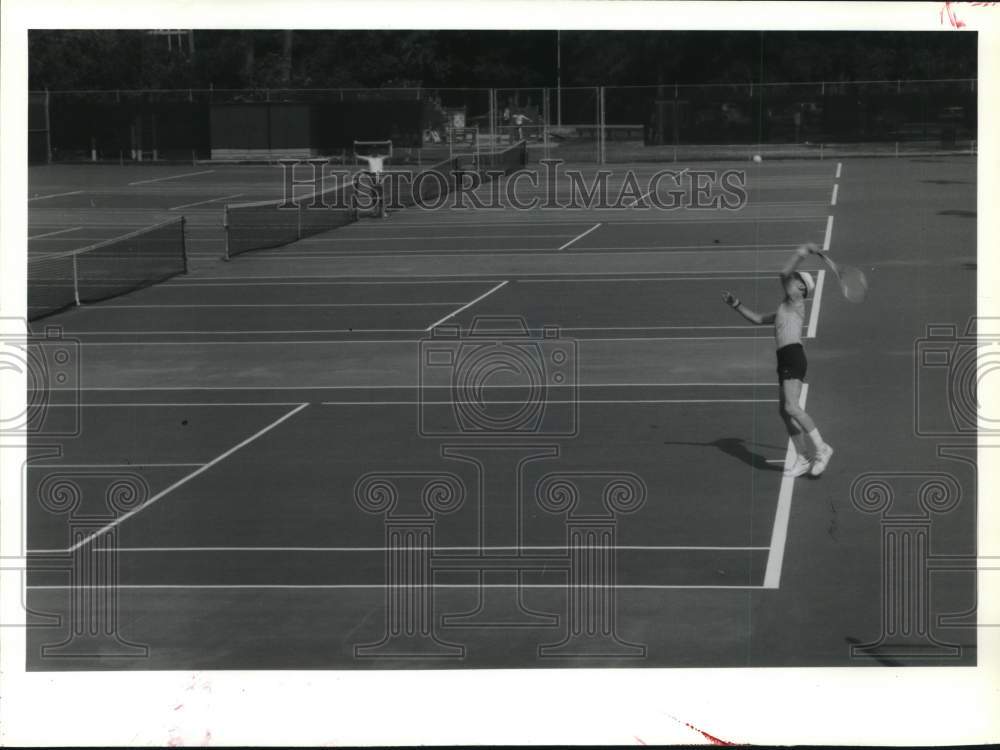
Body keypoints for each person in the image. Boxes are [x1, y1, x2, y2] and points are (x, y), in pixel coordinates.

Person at [721, 242, 834, 477]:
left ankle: (822, 448)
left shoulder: (796, 300)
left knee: (792, 407)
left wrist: (802, 252)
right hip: (784, 359)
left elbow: (783, 273)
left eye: (795, 279)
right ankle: (803, 457)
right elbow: (758, 319)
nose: (790, 280)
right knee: (784, 411)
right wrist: (736, 305)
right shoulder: (785, 308)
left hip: (793, 355)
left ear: (801, 288)